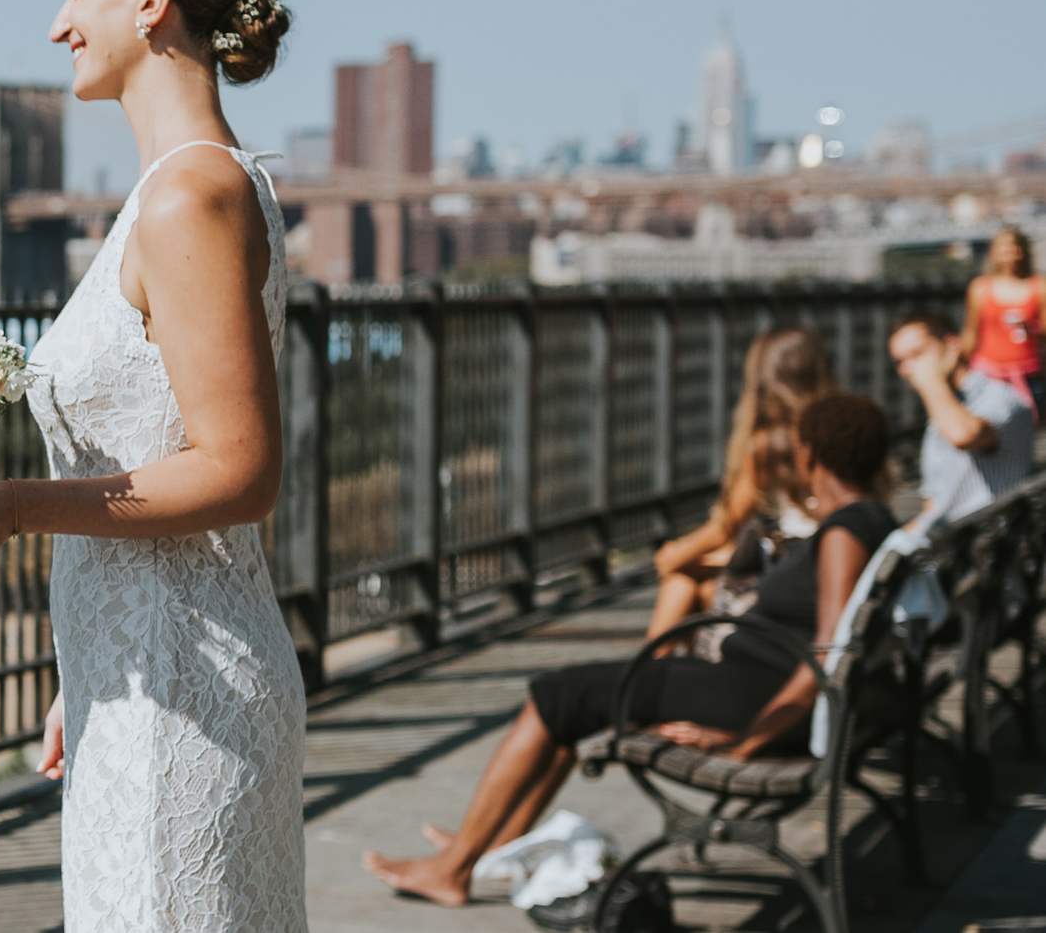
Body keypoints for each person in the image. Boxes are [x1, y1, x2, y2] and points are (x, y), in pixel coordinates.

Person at [0, 0, 306, 931]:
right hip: (144, 677)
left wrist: (11, 505)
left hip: (185, 688)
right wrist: (92, 662)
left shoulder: (187, 196)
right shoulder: (182, 187)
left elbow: (240, 470)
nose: (57, 22)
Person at [363, 392, 896, 907]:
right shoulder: (871, 520)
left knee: (558, 693)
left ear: (809, 454)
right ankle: (484, 848)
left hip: (757, 697)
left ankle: (453, 869)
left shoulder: (846, 532)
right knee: (578, 700)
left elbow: (829, 655)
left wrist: (745, 743)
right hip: (758, 683)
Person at [645, 328, 830, 645]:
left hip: (794, 568)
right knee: (700, 586)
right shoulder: (832, 428)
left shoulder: (771, 444)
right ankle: (657, 677)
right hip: (818, 559)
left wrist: (676, 553)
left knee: (682, 576)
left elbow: (725, 527)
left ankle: (646, 678)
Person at [890, 309, 1037, 530]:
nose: (908, 369)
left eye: (917, 354)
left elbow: (965, 435)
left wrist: (931, 381)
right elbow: (934, 507)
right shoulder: (942, 411)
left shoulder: (1000, 397)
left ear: (951, 345)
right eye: (900, 361)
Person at [961, 226, 1046, 416]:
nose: (1011, 254)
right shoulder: (980, 288)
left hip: (1029, 373)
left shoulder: (1039, 286)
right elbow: (971, 332)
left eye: (1015, 248)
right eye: (1004, 248)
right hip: (988, 374)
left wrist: (1031, 327)